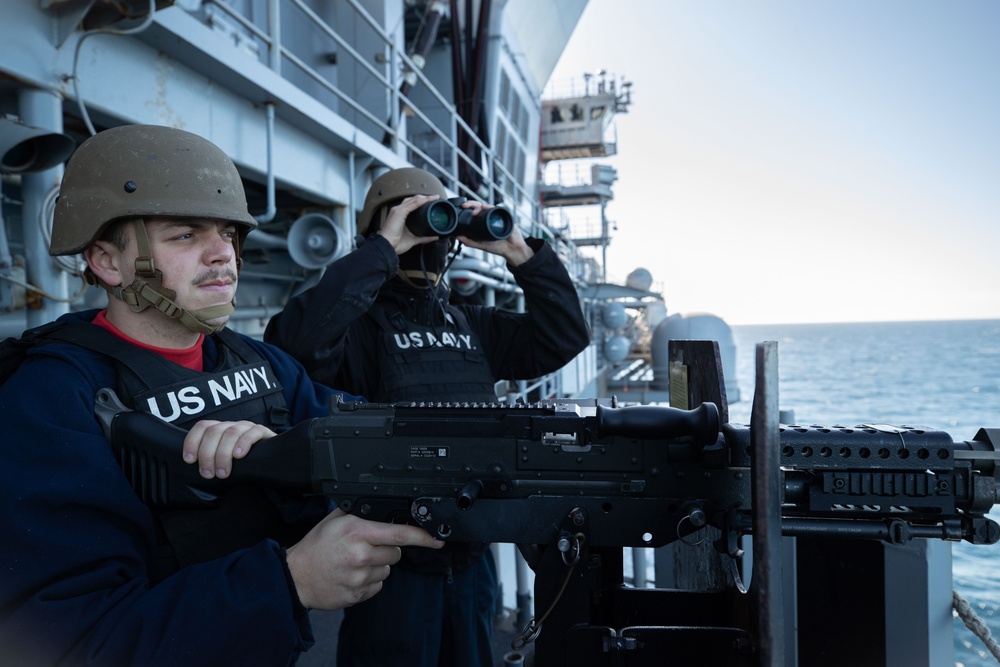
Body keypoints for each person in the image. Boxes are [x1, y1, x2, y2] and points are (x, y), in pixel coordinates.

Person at [0, 125, 443, 666]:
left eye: (229, 233)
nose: (223, 255)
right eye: (184, 235)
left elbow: (361, 450)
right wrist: (289, 582)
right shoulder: (50, 398)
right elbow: (69, 640)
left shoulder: (261, 363)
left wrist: (279, 459)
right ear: (107, 262)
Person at [264, 167, 591, 667]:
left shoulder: (471, 324)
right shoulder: (359, 332)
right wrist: (381, 250)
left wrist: (520, 254)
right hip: (389, 560)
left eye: (437, 220)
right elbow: (293, 344)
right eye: (415, 221)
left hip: (473, 552)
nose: (427, 237)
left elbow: (564, 336)